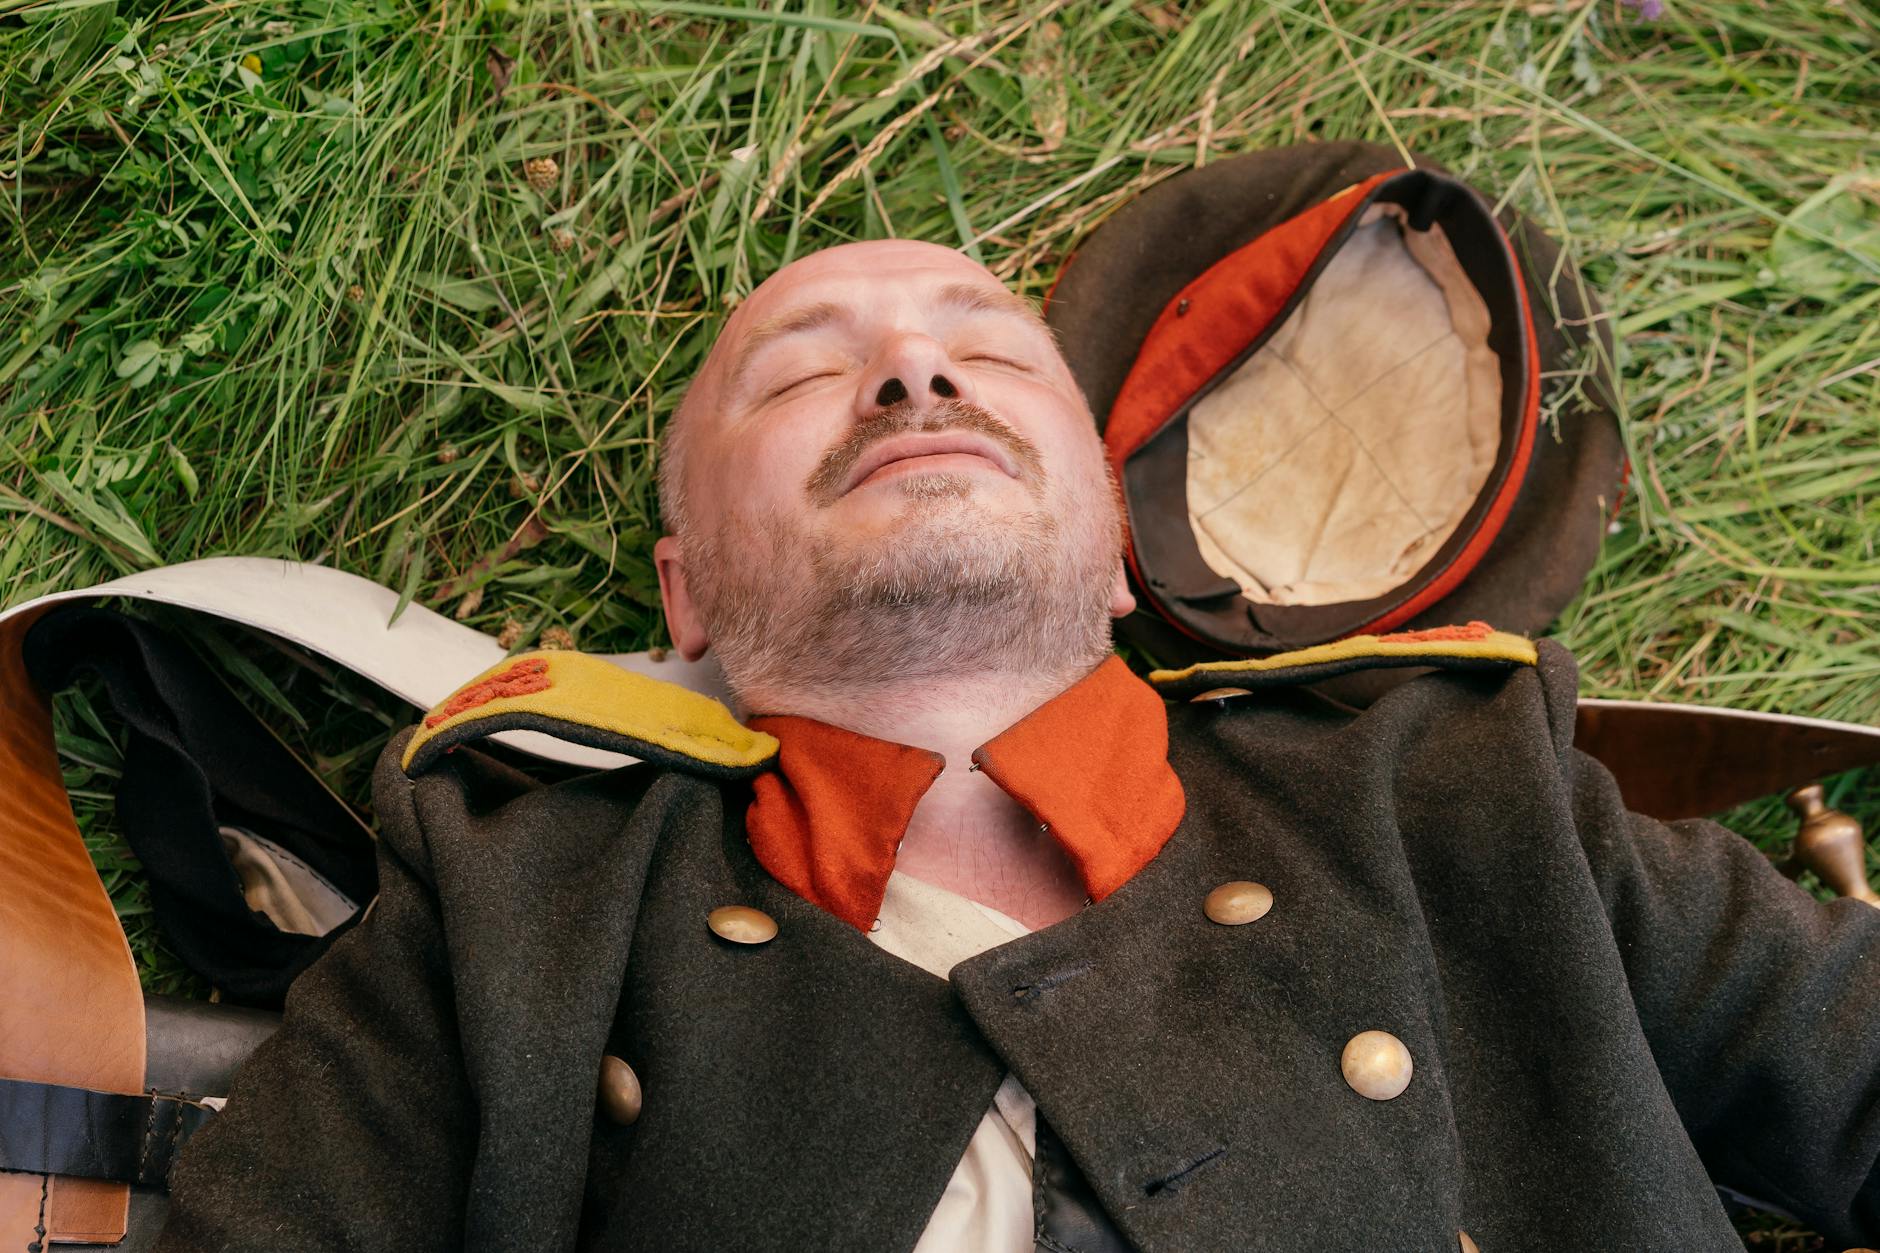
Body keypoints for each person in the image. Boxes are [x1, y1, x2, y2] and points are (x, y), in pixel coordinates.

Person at [155, 240, 1880, 1253]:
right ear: (685, 590)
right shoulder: (515, 896)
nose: (913, 380)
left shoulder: (1461, 796)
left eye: (986, 354)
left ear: (1123, 550)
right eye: (802, 378)